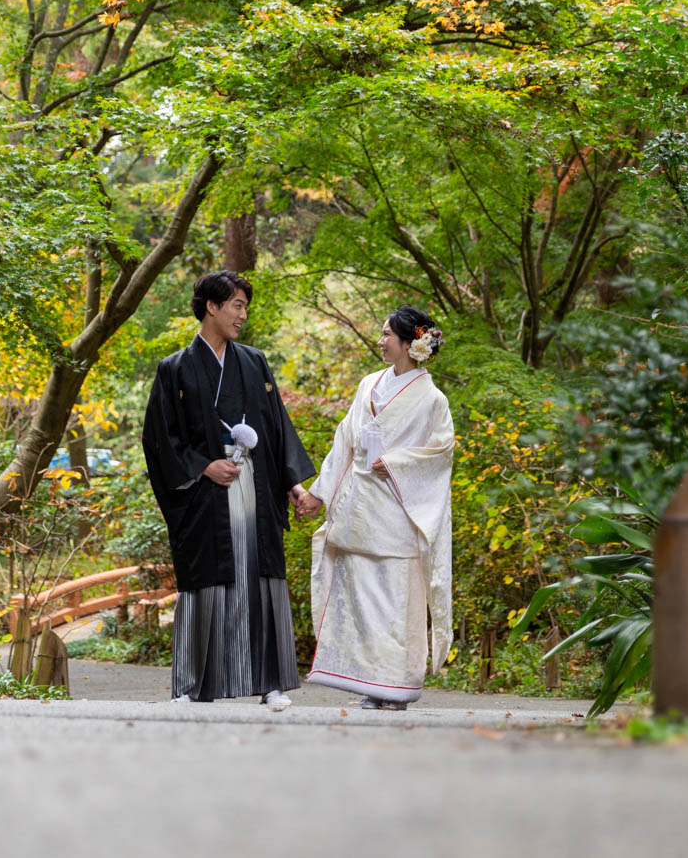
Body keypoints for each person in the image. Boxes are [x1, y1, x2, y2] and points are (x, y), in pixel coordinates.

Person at [142, 270, 314, 706]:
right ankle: (194, 685)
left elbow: (277, 427)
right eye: (236, 305)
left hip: (255, 484)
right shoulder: (175, 369)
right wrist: (203, 467)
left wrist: (292, 481)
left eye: (244, 306)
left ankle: (270, 682)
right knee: (206, 585)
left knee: (260, 581)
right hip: (205, 495)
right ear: (211, 307)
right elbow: (160, 438)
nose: (242, 314)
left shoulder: (254, 363)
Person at [297, 305, 454, 709]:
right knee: (364, 602)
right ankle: (371, 682)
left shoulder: (432, 399)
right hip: (360, 506)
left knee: (397, 605)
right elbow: (344, 442)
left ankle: (398, 686)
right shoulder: (369, 384)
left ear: (409, 343)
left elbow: (441, 452)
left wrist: (400, 463)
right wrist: (319, 493)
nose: (381, 340)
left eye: (387, 334)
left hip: (399, 511)